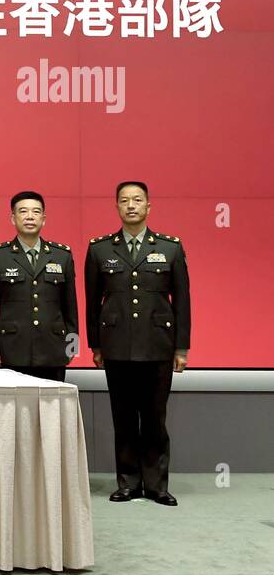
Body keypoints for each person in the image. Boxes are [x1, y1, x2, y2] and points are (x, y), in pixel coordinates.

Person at [85, 180, 191, 506]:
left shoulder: (170, 248)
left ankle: (157, 485)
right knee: (124, 418)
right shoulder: (100, 249)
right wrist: (96, 346)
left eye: (137, 200)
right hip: (117, 347)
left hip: (158, 346)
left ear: (148, 206)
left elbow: (182, 301)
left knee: (155, 418)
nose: (131, 205)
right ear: (117, 206)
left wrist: (181, 348)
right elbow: (92, 303)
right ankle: (128, 482)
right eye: (124, 200)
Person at [0, 191, 78, 381]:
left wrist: (72, 347)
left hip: (53, 349)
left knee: (53, 401)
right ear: (13, 218)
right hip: (12, 349)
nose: (30, 216)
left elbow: (71, 307)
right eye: (23, 211)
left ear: (44, 219)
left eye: (36, 211)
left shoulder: (62, 255)